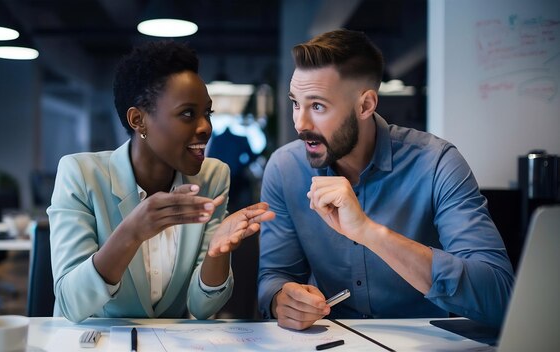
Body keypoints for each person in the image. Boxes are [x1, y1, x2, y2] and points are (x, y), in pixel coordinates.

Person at [257, 29, 514, 330]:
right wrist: (281, 299)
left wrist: (369, 232)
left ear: (365, 105)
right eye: (295, 103)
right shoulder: (285, 169)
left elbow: (499, 295)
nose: (300, 123)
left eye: (317, 106)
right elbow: (275, 276)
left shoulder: (436, 162)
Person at [47, 41, 275, 323]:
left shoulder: (212, 177)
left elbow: (201, 308)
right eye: (188, 113)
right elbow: (71, 303)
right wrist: (131, 232)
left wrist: (217, 253)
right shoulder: (80, 174)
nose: (206, 127)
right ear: (138, 120)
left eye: (207, 113)